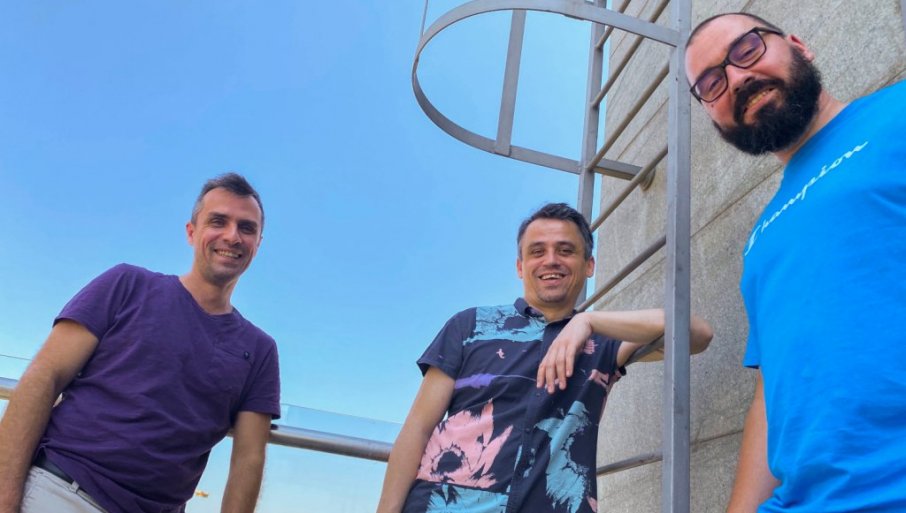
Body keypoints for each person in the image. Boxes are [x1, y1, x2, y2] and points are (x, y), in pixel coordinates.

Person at [685, 12, 906, 513]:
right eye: (712, 83)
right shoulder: (759, 240)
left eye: (746, 49)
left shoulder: (898, 111)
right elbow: (773, 391)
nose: (736, 78)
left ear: (799, 46)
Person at [376, 202, 713, 513]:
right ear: (520, 267)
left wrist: (587, 321)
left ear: (589, 265)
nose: (551, 260)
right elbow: (418, 429)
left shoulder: (604, 342)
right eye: (537, 252)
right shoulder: (470, 325)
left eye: (566, 250)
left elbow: (697, 334)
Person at [0, 173, 281, 513]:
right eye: (218, 221)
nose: (232, 236)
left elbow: (248, 459)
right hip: (62, 492)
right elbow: (44, 377)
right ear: (191, 232)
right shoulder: (126, 285)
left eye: (246, 228)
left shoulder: (260, 351)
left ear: (258, 244)